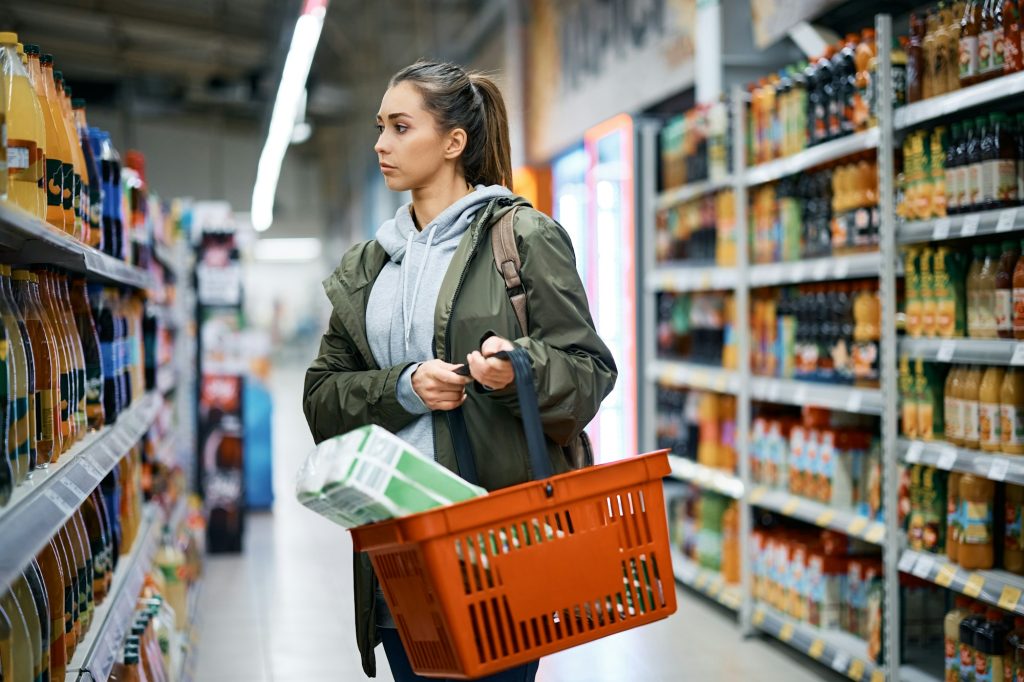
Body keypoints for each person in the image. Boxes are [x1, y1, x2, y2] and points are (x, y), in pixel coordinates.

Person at [302, 60, 617, 681]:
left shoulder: (523, 238)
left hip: (495, 549)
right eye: (380, 127)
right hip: (397, 553)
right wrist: (403, 388)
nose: (380, 144)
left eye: (399, 126)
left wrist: (518, 367)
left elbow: (589, 372)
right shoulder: (370, 267)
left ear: (453, 142)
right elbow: (321, 397)